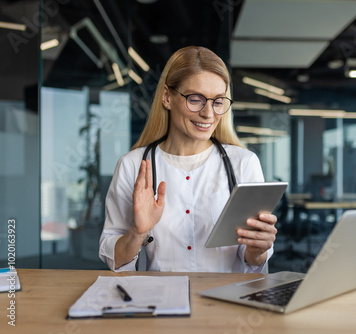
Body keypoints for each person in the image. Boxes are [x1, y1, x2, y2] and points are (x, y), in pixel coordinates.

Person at [99, 46, 277, 273]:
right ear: (166, 97)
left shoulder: (244, 163)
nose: (209, 113)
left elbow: (253, 261)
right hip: (159, 302)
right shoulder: (133, 165)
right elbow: (112, 256)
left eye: (218, 101)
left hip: (226, 302)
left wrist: (258, 249)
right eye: (196, 99)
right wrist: (137, 232)